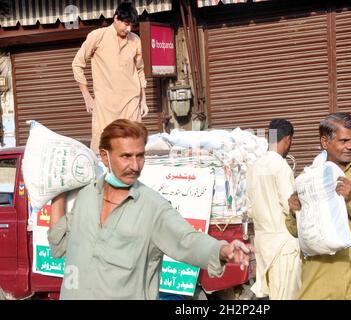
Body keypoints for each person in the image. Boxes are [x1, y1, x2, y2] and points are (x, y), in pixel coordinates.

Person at [48, 119, 253, 300]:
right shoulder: (86, 198)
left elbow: (186, 240)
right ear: (105, 157)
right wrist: (56, 194)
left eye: (140, 156)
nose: (135, 166)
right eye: (126, 156)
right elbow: (60, 244)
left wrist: (222, 250)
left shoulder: (153, 207)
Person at [289, 112, 351, 300]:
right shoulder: (309, 178)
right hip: (320, 273)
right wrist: (295, 213)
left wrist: (350, 200)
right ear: (325, 142)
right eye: (344, 141)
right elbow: (296, 232)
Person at [72, 2, 148, 154]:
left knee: (133, 145)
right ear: (116, 18)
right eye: (126, 24)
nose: (129, 29)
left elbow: (139, 70)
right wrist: (86, 96)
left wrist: (143, 100)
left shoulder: (135, 40)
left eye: (131, 25)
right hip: (105, 106)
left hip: (130, 104)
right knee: (103, 149)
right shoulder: (97, 36)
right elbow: (77, 64)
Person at [246, 119, 301, 300]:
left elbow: (249, 209)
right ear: (287, 139)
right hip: (282, 246)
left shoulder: (254, 167)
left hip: (262, 244)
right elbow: (289, 206)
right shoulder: (281, 166)